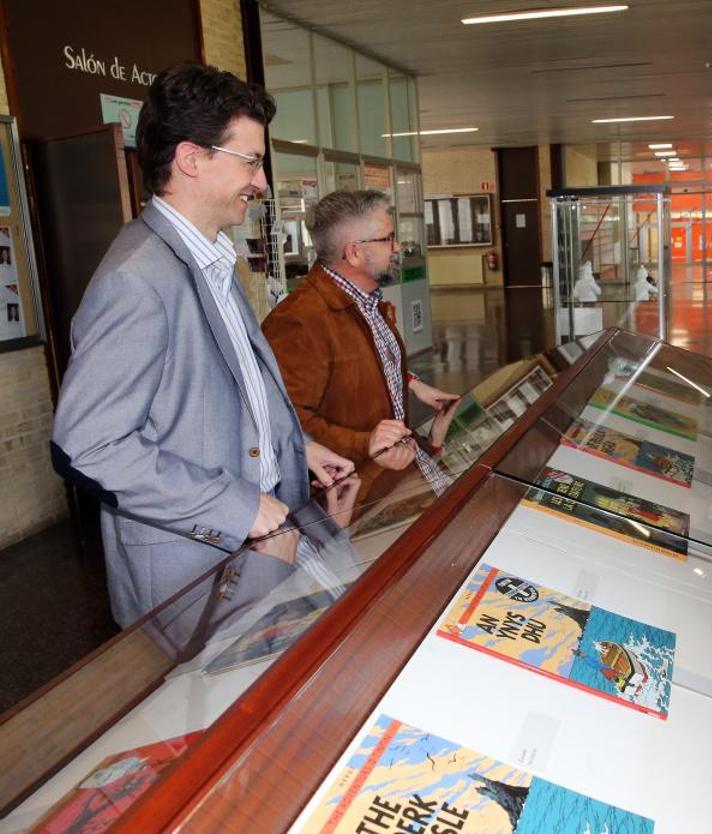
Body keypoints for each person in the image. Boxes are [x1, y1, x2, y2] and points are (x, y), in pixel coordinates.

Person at [50, 63, 351, 629]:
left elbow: (221, 395)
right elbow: (89, 446)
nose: (261, 183)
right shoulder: (136, 280)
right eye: (252, 162)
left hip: (257, 554)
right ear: (192, 159)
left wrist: (296, 446)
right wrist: (235, 508)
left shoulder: (206, 257)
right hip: (195, 576)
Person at [262, 189, 457, 491]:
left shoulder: (367, 303)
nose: (397, 246)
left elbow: (356, 363)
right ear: (353, 252)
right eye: (387, 238)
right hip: (359, 498)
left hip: (398, 478)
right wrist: (367, 443)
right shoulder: (299, 321)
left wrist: (411, 382)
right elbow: (284, 421)